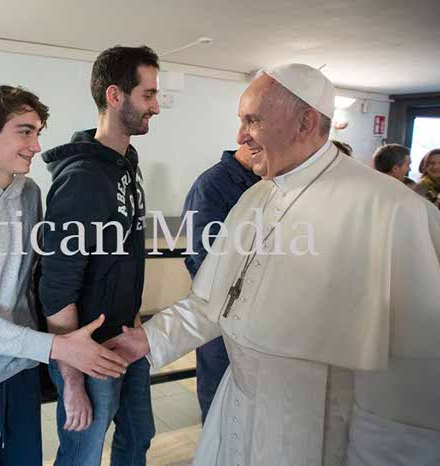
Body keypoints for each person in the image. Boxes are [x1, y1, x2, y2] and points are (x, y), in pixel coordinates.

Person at [105, 63, 440, 466]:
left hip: (315, 430)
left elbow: (410, 387)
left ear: (305, 122)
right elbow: (213, 300)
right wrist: (149, 339)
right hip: (238, 405)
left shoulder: (393, 210)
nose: (240, 136)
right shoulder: (255, 197)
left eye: (253, 120)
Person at [0, 85, 128, 466]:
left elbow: (38, 280)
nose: (36, 146)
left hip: (22, 366)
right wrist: (60, 347)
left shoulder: (30, 193)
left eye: (37, 132)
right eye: (24, 132)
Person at [38, 45, 160, 466]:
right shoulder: (83, 178)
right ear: (114, 96)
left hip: (127, 337)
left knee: (139, 435)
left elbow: (122, 259)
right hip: (88, 353)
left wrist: (136, 321)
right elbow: (56, 285)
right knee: (83, 454)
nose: (156, 106)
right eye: (148, 95)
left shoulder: (126, 163)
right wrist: (72, 377)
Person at [182, 144, 260, 422]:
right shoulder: (212, 185)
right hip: (220, 314)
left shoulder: (265, 182)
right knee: (218, 404)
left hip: (254, 317)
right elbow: (204, 259)